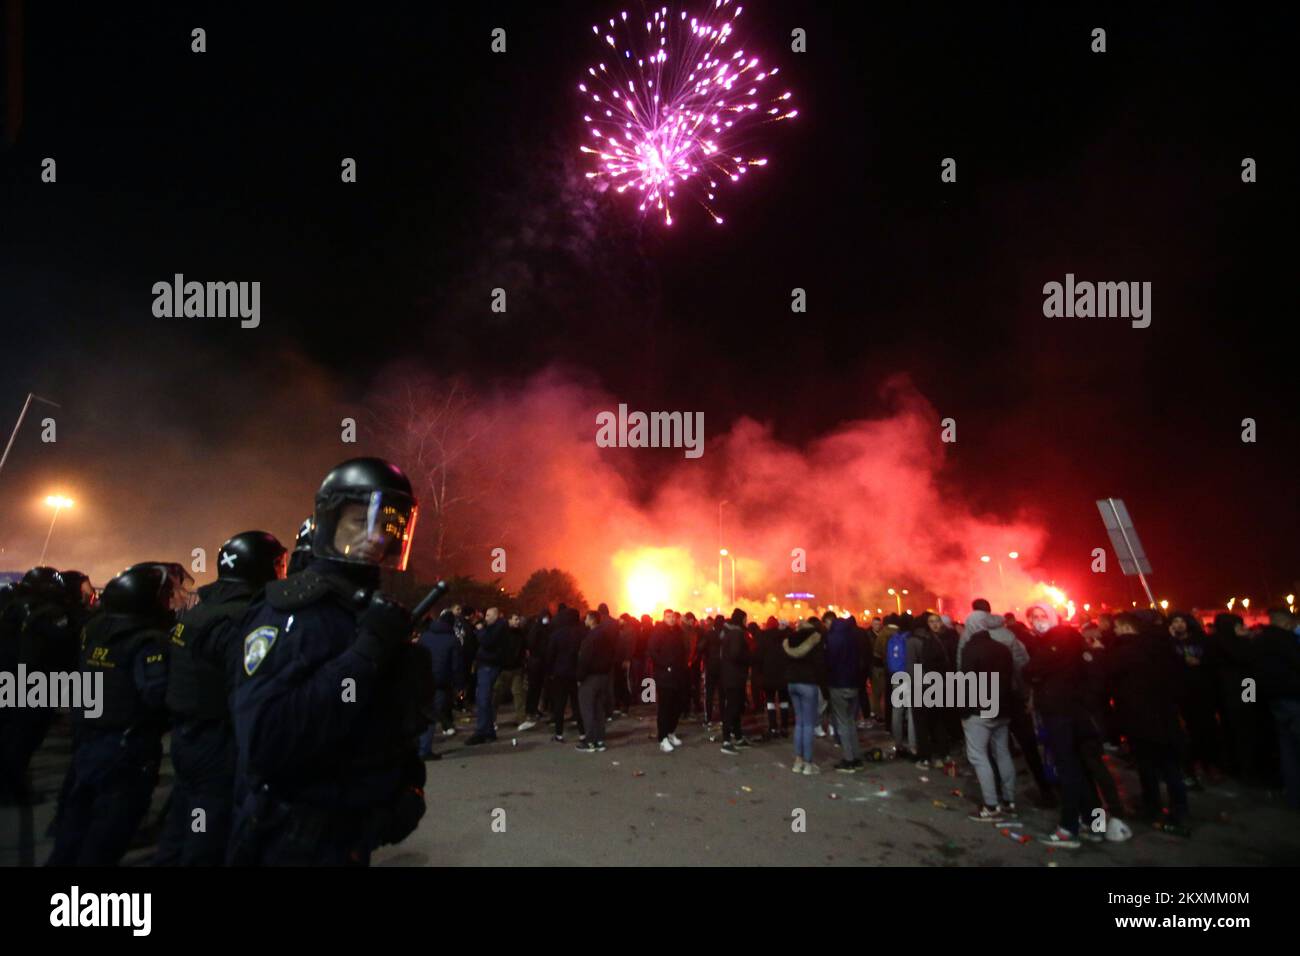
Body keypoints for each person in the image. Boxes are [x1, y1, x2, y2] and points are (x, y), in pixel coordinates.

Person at [227, 457, 430, 866]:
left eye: (386, 525)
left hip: (350, 835)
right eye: (360, 522)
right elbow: (268, 740)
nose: (374, 537)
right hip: (291, 840)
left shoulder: (366, 609)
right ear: (330, 522)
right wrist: (366, 652)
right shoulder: (294, 610)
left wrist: (407, 784)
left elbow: (383, 715)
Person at [155, 531, 286, 866]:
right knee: (207, 835)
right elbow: (242, 691)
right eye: (278, 563)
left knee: (181, 824)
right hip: (218, 742)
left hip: (187, 737)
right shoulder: (242, 618)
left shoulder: (201, 609)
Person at [47, 564, 175, 865]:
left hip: (88, 742)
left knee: (74, 827)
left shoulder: (95, 629)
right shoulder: (149, 641)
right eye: (165, 596)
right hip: (126, 750)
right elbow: (156, 696)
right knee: (108, 835)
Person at [1, 568, 91, 805]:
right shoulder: (50, 615)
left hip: (18, 682)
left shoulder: (18, 607)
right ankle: (11, 790)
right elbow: (60, 650)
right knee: (22, 740)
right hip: (33, 686)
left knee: (14, 736)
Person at [1107, 611, 1190, 835]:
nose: (1113, 631)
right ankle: (1178, 811)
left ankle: (1156, 807)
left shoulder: (1125, 651)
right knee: (1170, 767)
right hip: (1165, 715)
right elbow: (1181, 680)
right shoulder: (1166, 648)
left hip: (1139, 718)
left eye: (1117, 627)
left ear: (1127, 627)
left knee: (1148, 766)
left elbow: (1109, 677)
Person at [960, 618, 1017, 822]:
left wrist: (964, 710)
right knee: (1002, 753)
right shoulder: (1002, 648)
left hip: (980, 709)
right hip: (1003, 708)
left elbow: (966, 681)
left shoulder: (971, 649)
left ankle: (991, 805)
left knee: (978, 756)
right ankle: (1009, 800)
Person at [1249, 607, 1300, 809]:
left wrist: (1250, 700)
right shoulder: (1286, 641)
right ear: (1287, 622)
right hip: (1294, 698)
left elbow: (1250, 674)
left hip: (1272, 700)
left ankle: (1294, 796)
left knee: (1288, 751)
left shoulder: (1257, 642)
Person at [1170, 611, 1221, 786]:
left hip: (1202, 693)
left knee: (1207, 729)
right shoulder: (1169, 644)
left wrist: (1201, 663)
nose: (1178, 625)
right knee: (1188, 734)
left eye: (1181, 621)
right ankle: (1192, 768)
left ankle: (1211, 764)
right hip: (1182, 695)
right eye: (1175, 622)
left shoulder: (1202, 641)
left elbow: (1214, 663)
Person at [783, 618, 826, 774]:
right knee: (808, 724)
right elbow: (821, 664)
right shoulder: (815, 639)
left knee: (799, 723)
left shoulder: (791, 639)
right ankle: (808, 763)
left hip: (792, 683)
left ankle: (797, 761)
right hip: (808, 683)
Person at [418, 609, 465, 749]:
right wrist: (460, 685)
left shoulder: (425, 636)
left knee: (424, 711)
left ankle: (419, 745)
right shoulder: (452, 640)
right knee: (433, 713)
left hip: (423, 679)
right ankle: (424, 749)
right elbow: (456, 666)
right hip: (440, 682)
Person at [824, 612, 864, 771]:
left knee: (842, 722)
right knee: (850, 721)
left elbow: (829, 661)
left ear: (830, 622)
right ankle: (856, 756)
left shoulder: (832, 639)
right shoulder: (853, 636)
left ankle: (848, 759)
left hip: (838, 684)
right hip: (853, 683)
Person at [467, 607, 508, 745]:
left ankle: (481, 732)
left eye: (489, 615)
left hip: (489, 666)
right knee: (484, 699)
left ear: (496, 616)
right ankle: (489, 731)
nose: (486, 618)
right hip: (486, 665)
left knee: (483, 699)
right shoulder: (495, 627)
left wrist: (480, 629)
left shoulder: (499, 627)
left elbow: (487, 642)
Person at [576, 607, 615, 752]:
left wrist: (580, 677)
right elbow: (612, 655)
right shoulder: (606, 636)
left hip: (590, 679)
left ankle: (590, 741)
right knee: (599, 709)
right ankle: (600, 740)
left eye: (586, 618)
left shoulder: (590, 638)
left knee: (588, 709)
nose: (584, 620)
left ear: (592, 620)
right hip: (604, 677)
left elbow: (584, 660)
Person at [650, 610, 688, 752]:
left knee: (676, 706)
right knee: (665, 708)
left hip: (678, 676)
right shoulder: (658, 632)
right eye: (668, 617)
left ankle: (671, 732)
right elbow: (653, 652)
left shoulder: (678, 632)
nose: (671, 619)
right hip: (665, 677)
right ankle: (663, 737)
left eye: (673, 617)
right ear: (663, 618)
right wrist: (666, 666)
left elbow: (682, 650)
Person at [545, 607, 584, 741]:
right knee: (577, 704)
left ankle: (559, 733)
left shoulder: (557, 634)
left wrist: (550, 672)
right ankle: (582, 733)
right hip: (576, 673)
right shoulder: (581, 633)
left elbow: (550, 654)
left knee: (559, 704)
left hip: (560, 673)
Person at [719, 609, 750, 754]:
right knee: (732, 707)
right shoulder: (737, 634)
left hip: (729, 675)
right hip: (735, 677)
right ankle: (726, 741)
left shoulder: (727, 632)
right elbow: (736, 655)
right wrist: (749, 658)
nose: (746, 622)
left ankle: (738, 737)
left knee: (735, 707)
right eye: (745, 619)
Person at [493, 612, 528, 729]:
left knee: (518, 694)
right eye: (516, 619)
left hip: (516, 669)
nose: (518, 622)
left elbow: (523, 649)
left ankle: (522, 720)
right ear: (509, 620)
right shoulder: (502, 633)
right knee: (496, 695)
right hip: (503, 669)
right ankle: (491, 720)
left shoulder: (520, 634)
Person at [757, 616, 791, 738]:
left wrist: (759, 672)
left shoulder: (764, 637)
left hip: (769, 673)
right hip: (783, 673)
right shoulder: (785, 636)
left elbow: (759, 656)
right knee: (784, 701)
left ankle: (772, 727)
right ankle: (785, 727)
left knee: (770, 701)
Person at [519, 609, 551, 731]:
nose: (546, 619)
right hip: (535, 662)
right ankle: (530, 710)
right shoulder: (536, 629)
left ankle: (535, 709)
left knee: (538, 688)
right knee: (533, 687)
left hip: (542, 662)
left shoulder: (546, 629)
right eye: (545, 617)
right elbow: (531, 643)